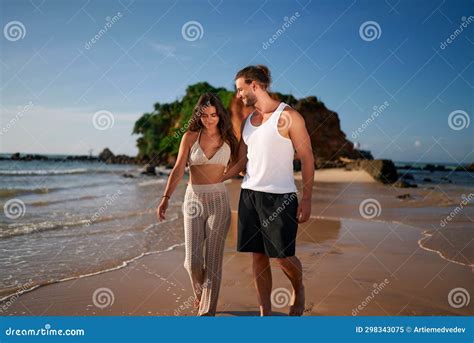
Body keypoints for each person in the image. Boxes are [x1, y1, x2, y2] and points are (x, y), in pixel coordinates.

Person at [222, 65, 315, 316]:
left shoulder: (289, 116)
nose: (239, 95)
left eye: (241, 89)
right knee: (258, 257)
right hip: (249, 195)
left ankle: (299, 288)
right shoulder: (247, 122)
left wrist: (306, 198)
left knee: (283, 257)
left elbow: (306, 157)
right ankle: (265, 314)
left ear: (255, 85)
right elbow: (241, 163)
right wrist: (214, 177)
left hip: (281, 198)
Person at [157, 93, 238, 316]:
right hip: (193, 200)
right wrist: (166, 197)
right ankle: (200, 294)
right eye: (204, 115)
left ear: (220, 114)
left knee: (213, 260)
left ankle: (207, 312)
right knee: (192, 261)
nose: (210, 119)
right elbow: (178, 169)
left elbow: (242, 162)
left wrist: (225, 175)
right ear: (199, 115)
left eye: (213, 115)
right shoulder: (190, 136)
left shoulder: (229, 138)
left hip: (219, 201)